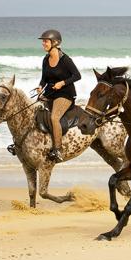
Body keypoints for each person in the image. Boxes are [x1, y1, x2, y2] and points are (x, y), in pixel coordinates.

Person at [35, 29, 81, 162]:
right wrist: (40, 86)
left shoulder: (65, 60)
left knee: (54, 117)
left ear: (55, 42)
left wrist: (63, 82)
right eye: (43, 41)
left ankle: (58, 150)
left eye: (45, 41)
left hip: (65, 94)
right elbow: (44, 78)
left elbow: (77, 75)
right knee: (35, 111)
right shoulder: (45, 59)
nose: (43, 43)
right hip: (50, 93)